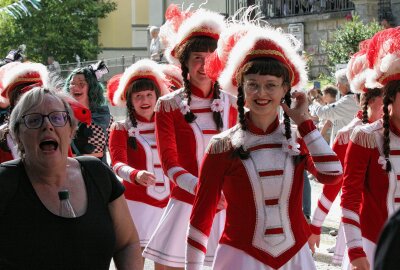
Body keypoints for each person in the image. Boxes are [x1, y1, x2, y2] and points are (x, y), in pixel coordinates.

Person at [186, 21, 343, 270]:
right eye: (253, 84)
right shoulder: (221, 146)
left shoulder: (300, 139)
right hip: (240, 257)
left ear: (285, 90)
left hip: (295, 258)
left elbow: (333, 175)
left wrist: (304, 123)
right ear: (241, 88)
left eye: (271, 85)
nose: (262, 93)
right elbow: (200, 218)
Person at [0, 87, 142, 269]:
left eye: (57, 117)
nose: (47, 126)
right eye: (34, 120)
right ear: (18, 135)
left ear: (71, 129)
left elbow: (127, 243)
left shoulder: (97, 173)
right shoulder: (5, 182)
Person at [142, 4, 237, 269]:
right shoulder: (167, 105)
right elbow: (170, 164)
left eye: (210, 57)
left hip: (227, 206)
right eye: (197, 57)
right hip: (186, 203)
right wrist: (203, 191)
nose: (203, 64)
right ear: (184, 61)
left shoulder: (234, 104)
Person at [340, 27, 400, 270]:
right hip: (372, 246)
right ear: (390, 98)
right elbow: (349, 198)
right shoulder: (365, 137)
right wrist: (355, 250)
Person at [107, 59, 172, 269]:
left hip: (170, 204)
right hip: (136, 205)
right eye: (138, 96)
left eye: (149, 95)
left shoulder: (171, 125)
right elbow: (117, 164)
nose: (144, 100)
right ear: (130, 101)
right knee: (133, 262)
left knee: (168, 262)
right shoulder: (120, 128)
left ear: (156, 97)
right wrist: (135, 174)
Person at [64, 61, 112, 164]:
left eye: (81, 84)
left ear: (91, 87)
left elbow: (113, 150)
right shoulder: (62, 116)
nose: (75, 87)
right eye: (72, 84)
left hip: (98, 174)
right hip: (70, 173)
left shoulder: (104, 117)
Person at [309, 68, 360, 146]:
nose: (337, 85)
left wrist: (314, 98)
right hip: (347, 141)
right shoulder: (351, 99)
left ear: (346, 85)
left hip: (344, 144)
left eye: (338, 83)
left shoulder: (348, 100)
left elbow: (323, 112)